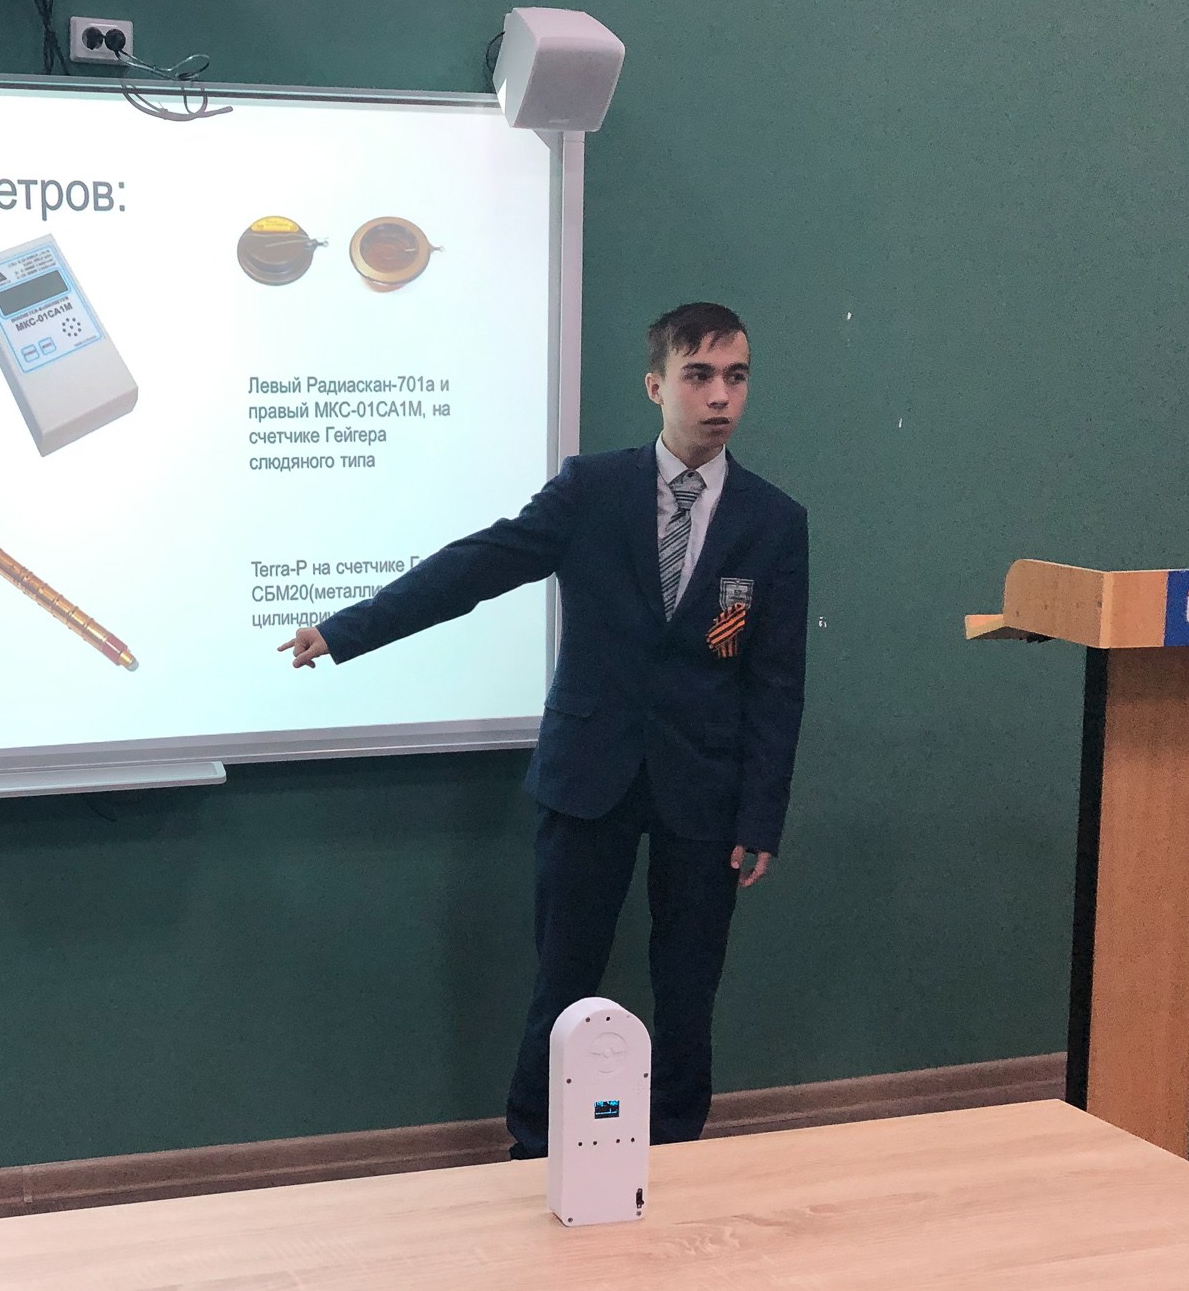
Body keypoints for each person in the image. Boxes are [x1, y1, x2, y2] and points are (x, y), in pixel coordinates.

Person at [279, 302, 809, 1157]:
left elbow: (777, 682)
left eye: (736, 377)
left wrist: (761, 816)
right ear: (655, 385)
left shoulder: (775, 520)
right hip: (589, 772)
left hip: (704, 788)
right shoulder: (591, 490)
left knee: (688, 986)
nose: (720, 396)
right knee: (563, 979)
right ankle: (533, 1144)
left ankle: (678, 1142)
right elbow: (477, 566)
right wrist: (348, 629)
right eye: (699, 375)